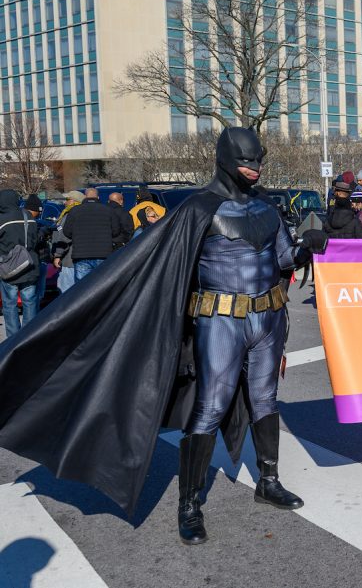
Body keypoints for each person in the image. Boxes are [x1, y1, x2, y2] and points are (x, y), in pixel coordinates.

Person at [0, 127, 329, 545]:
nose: (254, 168)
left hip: (267, 319)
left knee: (265, 400)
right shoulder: (198, 208)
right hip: (219, 321)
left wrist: (308, 246)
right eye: (247, 160)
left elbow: (283, 257)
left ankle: (268, 481)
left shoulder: (267, 208)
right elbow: (157, 268)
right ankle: (189, 505)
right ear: (227, 159)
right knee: (210, 408)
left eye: (258, 160)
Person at [63, 188, 127, 282]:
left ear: (85, 196)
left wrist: (77, 236)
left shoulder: (74, 211)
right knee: (102, 284)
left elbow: (67, 232)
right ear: (98, 197)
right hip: (103, 254)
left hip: (81, 254)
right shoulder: (108, 210)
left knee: (82, 287)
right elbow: (116, 231)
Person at [0, 190, 40, 338]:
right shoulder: (28, 216)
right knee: (29, 302)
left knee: (10, 304)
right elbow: (35, 240)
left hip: (9, 267)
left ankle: (13, 337)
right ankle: (28, 335)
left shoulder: (2, 220)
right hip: (29, 265)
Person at [51, 190, 84, 292]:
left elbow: (64, 236)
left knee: (66, 291)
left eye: (67, 199)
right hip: (81, 258)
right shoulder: (84, 214)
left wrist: (58, 255)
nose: (65, 202)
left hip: (68, 259)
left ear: (74, 201)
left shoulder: (69, 215)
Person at [23, 194, 50, 314]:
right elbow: (32, 241)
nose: (39, 214)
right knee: (34, 294)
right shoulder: (29, 222)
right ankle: (34, 319)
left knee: (35, 294)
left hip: (35, 260)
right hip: (33, 261)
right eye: (38, 211)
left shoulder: (30, 220)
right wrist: (42, 233)